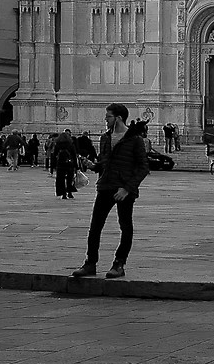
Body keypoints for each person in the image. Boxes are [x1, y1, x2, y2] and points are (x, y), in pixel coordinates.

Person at [72, 102, 150, 281]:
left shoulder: (135, 139)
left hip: (124, 189)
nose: (105, 120)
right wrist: (94, 166)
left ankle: (119, 263)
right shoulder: (105, 137)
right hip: (106, 185)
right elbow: (105, 161)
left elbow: (143, 167)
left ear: (118, 118)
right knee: (95, 227)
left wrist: (127, 189)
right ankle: (90, 263)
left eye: (108, 116)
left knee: (125, 226)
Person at [50, 128, 80, 199]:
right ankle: (69, 192)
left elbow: (54, 155)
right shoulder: (70, 144)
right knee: (70, 179)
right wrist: (76, 166)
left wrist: (53, 165)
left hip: (60, 164)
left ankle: (63, 194)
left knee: (61, 179)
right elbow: (74, 155)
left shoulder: (58, 145)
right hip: (69, 164)